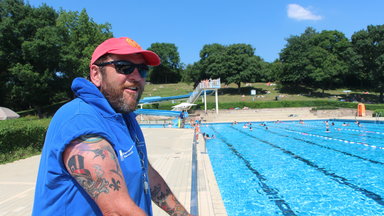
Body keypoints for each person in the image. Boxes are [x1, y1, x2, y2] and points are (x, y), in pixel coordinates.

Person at [32, 37, 192, 216]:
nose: (137, 77)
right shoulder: (80, 120)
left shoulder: (124, 117)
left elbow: (145, 172)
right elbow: (117, 210)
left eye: (142, 70)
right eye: (124, 67)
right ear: (96, 74)